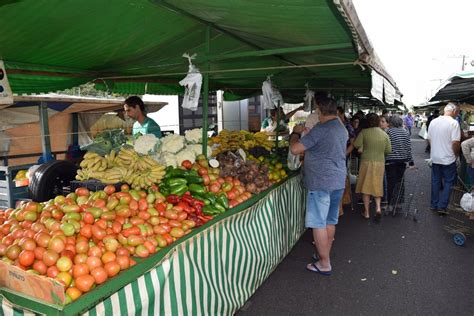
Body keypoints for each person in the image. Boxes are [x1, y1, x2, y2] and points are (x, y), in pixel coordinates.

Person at [290, 97, 348, 276]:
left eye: (316, 110)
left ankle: (324, 263)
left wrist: (296, 133)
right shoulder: (340, 127)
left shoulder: (321, 129)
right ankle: (324, 254)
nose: (315, 113)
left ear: (320, 111)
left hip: (321, 182)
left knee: (318, 223)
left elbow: (295, 149)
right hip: (337, 180)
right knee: (330, 221)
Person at [354, 113, 392, 221]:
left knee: (365, 187)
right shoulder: (384, 134)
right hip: (380, 162)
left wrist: (363, 146)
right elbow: (388, 150)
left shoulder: (364, 132)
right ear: (378, 121)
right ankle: (378, 208)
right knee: (377, 185)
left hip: (366, 162)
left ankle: (366, 212)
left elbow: (356, 144)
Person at [427, 103, 461, 215]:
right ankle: (442, 206)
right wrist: (456, 155)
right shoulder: (453, 123)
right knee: (448, 182)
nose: (458, 114)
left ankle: (433, 204)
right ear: (454, 111)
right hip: (448, 158)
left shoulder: (433, 122)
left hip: (435, 157)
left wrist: (435, 150)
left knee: (436, 181)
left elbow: (429, 139)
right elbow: (455, 142)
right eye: (458, 112)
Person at [385, 115, 415, 213]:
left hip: (391, 161)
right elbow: (408, 148)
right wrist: (411, 162)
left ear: (391, 123)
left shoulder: (388, 132)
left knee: (391, 183)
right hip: (402, 161)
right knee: (400, 182)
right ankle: (398, 203)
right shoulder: (405, 132)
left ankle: (390, 205)